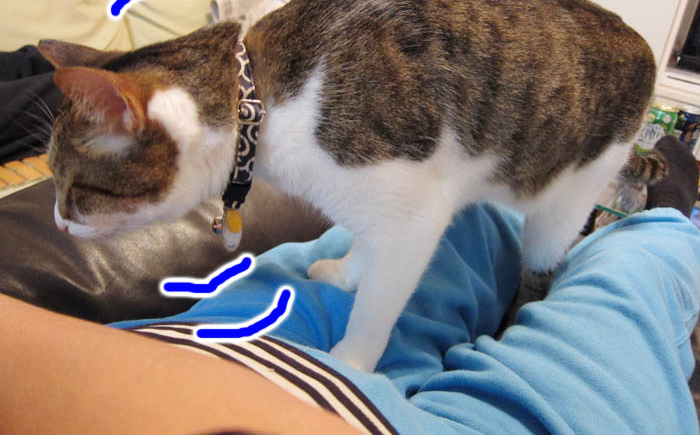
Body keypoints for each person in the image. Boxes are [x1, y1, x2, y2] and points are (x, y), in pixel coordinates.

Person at [0, 193, 699, 433]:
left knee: (465, 210)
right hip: (368, 417)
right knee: (643, 262)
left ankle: (567, 221)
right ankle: (654, 218)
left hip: (192, 348)